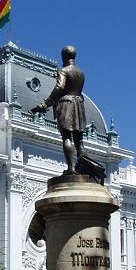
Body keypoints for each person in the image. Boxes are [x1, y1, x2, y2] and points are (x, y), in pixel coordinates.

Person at [30, 46, 86, 175]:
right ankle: (82, 169)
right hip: (79, 104)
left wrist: (47, 102)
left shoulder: (63, 70)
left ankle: (71, 168)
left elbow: (60, 86)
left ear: (63, 57)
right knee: (79, 141)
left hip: (67, 103)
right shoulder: (81, 73)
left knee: (67, 136)